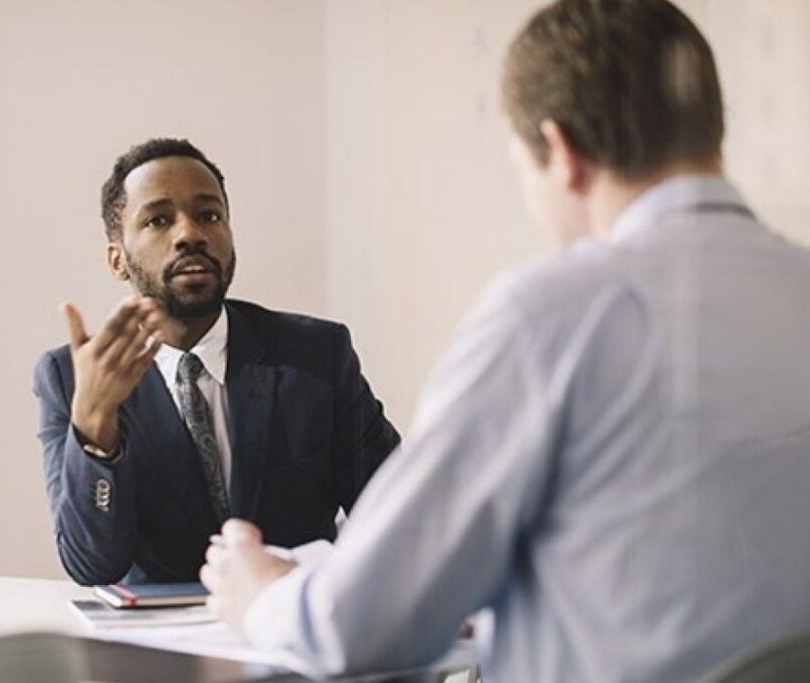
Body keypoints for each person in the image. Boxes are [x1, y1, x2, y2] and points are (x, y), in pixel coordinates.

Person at [200, 1, 810, 681]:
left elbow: (362, 625)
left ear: (564, 153)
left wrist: (262, 594)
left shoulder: (552, 314)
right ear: (710, 128)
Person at [32, 138, 400, 586]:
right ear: (118, 260)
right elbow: (92, 565)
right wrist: (94, 422)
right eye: (158, 220)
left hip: (289, 631)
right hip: (155, 651)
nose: (190, 234)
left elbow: (397, 513)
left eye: (209, 215)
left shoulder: (317, 356)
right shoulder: (69, 378)